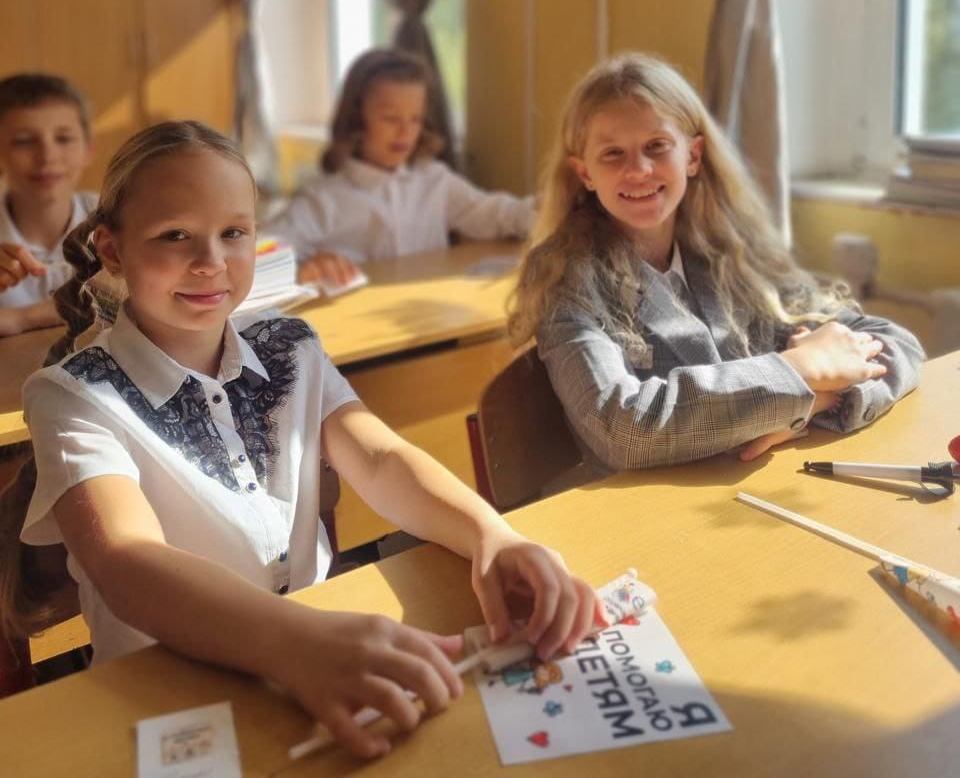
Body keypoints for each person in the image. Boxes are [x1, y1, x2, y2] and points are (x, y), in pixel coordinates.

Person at [0, 121, 600, 760]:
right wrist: (296, 644)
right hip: (173, 691)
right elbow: (126, 561)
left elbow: (380, 457)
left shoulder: (290, 345)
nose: (211, 261)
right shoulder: (73, 393)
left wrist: (491, 537)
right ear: (113, 251)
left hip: (319, 659)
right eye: (175, 235)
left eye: (234, 232)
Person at [509, 53, 924, 476]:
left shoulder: (730, 249)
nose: (638, 169)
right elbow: (623, 430)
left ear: (693, 156)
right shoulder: (565, 275)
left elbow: (898, 343)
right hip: (645, 504)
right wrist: (798, 371)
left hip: (751, 484)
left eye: (656, 146)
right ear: (585, 174)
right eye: (613, 153)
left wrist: (816, 402)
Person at [267, 49, 534, 289]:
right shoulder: (322, 198)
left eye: (416, 119)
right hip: (359, 322)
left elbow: (495, 214)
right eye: (391, 118)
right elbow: (264, 252)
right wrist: (304, 267)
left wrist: (548, 209)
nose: (405, 131)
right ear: (356, 119)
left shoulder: (435, 180)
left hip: (431, 316)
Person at [0, 73, 96, 337]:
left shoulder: (120, 219)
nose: (47, 156)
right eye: (24, 141)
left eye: (63, 139)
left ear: (88, 150)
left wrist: (20, 318)